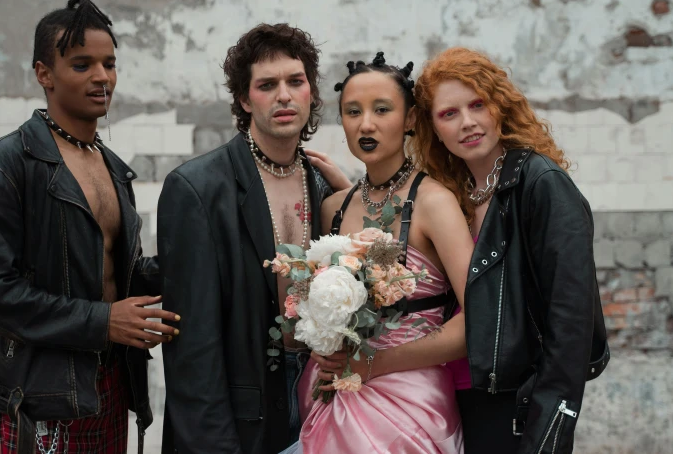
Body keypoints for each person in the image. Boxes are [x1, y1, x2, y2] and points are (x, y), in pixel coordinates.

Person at [0, 0, 179, 454]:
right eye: (82, 65)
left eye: (109, 64)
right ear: (44, 74)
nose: (102, 77)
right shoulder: (8, 164)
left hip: (109, 382)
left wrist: (197, 258)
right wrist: (101, 321)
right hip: (39, 394)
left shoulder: (113, 167)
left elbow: (119, 272)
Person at [158, 23, 351, 454]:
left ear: (311, 93)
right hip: (242, 411)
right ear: (245, 100)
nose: (284, 94)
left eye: (295, 81)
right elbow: (193, 350)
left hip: (319, 394)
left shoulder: (322, 186)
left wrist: (346, 201)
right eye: (267, 85)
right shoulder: (197, 188)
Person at [410, 47, 609, 454]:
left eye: (478, 105)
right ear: (434, 128)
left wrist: (548, 430)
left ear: (500, 106)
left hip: (519, 405)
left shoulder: (542, 184)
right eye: (449, 114)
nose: (468, 123)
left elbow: (570, 324)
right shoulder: (452, 198)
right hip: (457, 398)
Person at [293, 52, 475, 453]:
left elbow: (475, 322)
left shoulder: (435, 203)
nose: (366, 124)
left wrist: (372, 365)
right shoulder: (333, 208)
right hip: (332, 390)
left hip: (409, 403)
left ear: (410, 119)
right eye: (352, 112)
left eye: (382, 109)